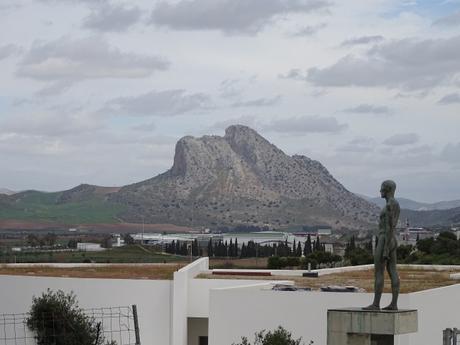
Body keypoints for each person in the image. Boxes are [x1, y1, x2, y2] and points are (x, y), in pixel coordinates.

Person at [363, 180, 400, 310]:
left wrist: (385, 248)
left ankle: (376, 304)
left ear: (388, 189)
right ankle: (394, 304)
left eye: (382, 188)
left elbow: (389, 226)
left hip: (385, 239)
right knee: (393, 271)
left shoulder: (390, 205)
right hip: (392, 240)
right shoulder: (394, 204)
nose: (380, 191)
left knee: (379, 272)